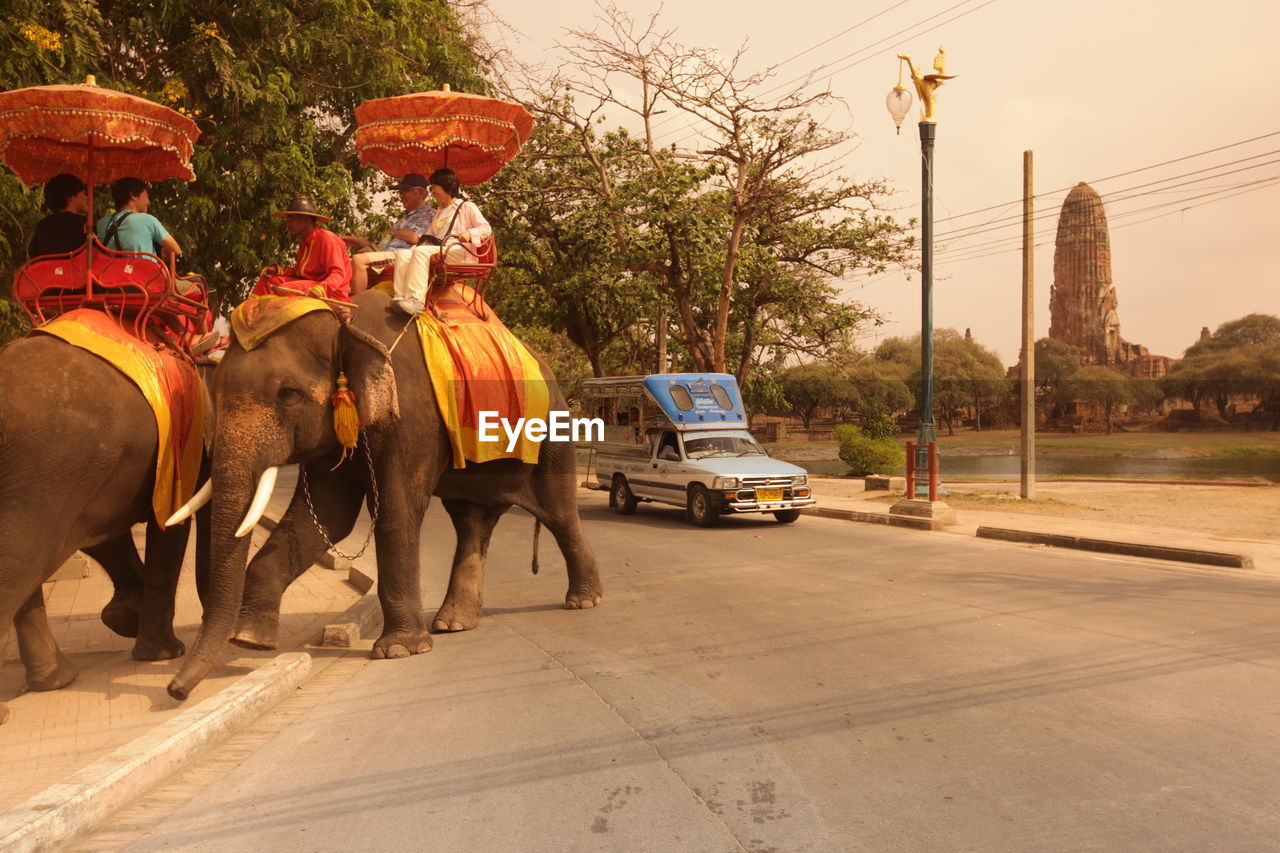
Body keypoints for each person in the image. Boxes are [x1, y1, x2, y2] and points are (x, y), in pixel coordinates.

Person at [351, 168, 492, 314]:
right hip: (439, 250)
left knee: (420, 251)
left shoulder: (466, 206)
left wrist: (469, 233)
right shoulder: (439, 211)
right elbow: (427, 238)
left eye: (435, 189)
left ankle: (416, 300)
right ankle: (400, 297)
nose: (433, 193)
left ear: (447, 187)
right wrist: (412, 250)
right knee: (404, 254)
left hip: (458, 252)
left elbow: (486, 229)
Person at [343, 173, 436, 295]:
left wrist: (392, 232)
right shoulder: (404, 218)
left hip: (402, 256)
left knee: (358, 260)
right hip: (387, 254)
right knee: (344, 261)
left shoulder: (429, 214)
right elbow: (381, 247)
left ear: (421, 193)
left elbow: (415, 238)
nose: (401, 196)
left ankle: (355, 305)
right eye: (400, 192)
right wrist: (356, 241)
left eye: (405, 191)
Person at [252, 197, 352, 301]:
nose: (288, 225)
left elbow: (338, 273)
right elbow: (300, 272)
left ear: (305, 218)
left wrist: (320, 289)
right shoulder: (304, 243)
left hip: (330, 292)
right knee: (267, 281)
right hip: (309, 284)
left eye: (291, 220)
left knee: (285, 289)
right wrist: (278, 271)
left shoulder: (327, 239)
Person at [95, 177, 182, 259]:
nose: (148, 202)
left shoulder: (101, 223)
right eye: (147, 196)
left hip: (110, 274)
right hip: (146, 274)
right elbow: (176, 250)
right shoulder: (148, 220)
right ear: (133, 195)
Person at [29, 173, 89, 257]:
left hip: (48, 270)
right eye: (83, 193)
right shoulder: (86, 224)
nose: (86, 197)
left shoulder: (42, 225)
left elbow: (34, 255)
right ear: (70, 196)